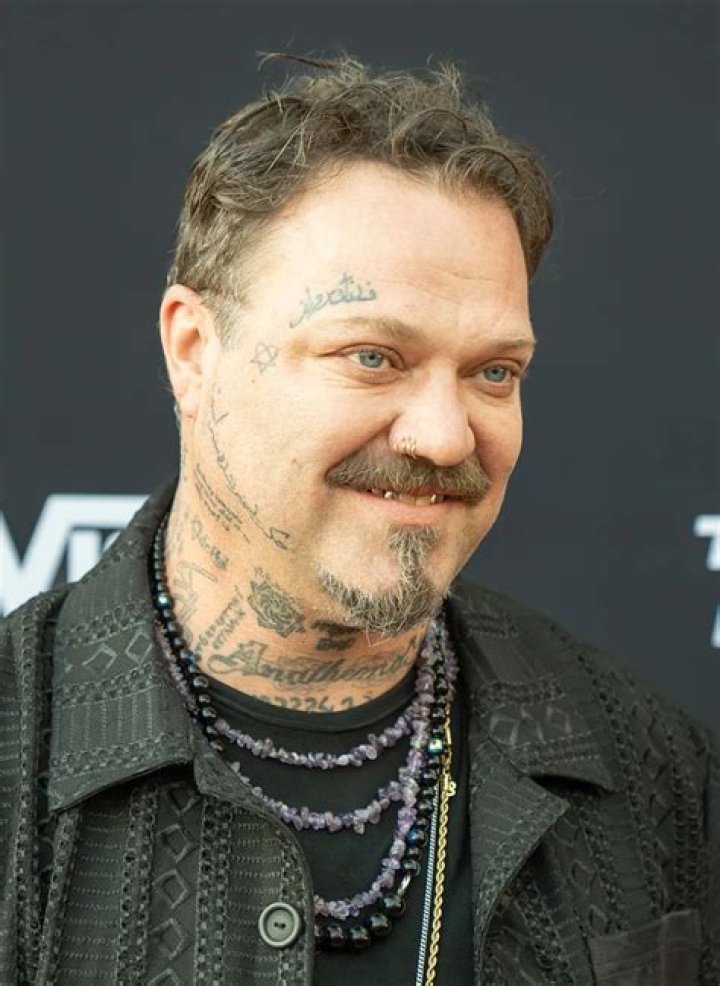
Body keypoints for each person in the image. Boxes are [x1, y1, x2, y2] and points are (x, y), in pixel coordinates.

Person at [1, 53, 717, 986]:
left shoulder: (655, 767)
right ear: (194, 350)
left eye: (493, 372)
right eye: (373, 357)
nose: (445, 435)